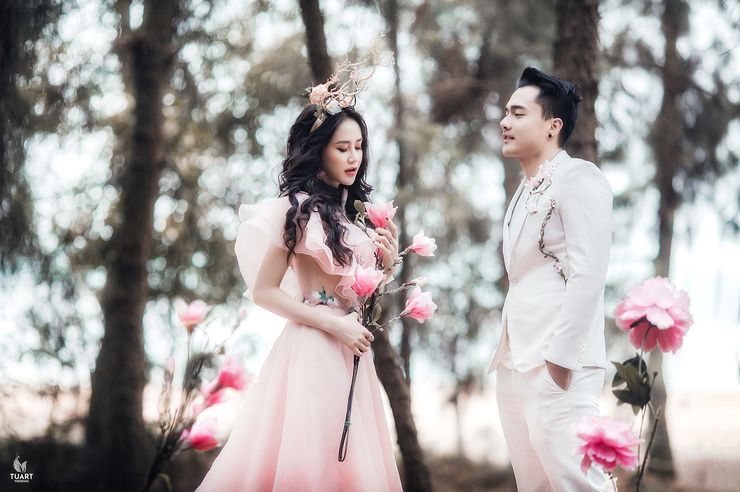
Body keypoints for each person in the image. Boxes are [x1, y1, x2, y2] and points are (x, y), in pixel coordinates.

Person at [196, 82, 403, 491]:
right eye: (342, 148)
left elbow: (359, 295)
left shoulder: (354, 219)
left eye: (359, 146)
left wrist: (389, 261)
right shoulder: (298, 211)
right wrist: (334, 324)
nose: (354, 157)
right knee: (311, 460)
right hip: (313, 349)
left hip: (351, 354)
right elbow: (264, 291)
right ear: (318, 150)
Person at [488, 67, 613, 491]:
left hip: (558, 366)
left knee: (580, 483)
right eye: (506, 112)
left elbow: (589, 273)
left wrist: (559, 363)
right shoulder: (523, 191)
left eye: (518, 113)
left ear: (552, 126)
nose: (504, 121)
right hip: (516, 363)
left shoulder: (579, 178)